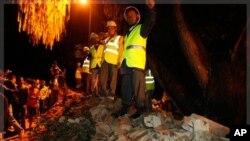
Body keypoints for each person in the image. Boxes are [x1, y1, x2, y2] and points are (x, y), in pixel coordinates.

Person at [111, 0, 156, 119]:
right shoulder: (127, 34)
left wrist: (151, 9)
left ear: (137, 17)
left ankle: (140, 110)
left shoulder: (141, 29)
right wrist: (120, 63)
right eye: (128, 15)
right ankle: (124, 108)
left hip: (137, 63)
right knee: (125, 87)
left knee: (138, 88)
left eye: (132, 15)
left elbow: (150, 21)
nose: (130, 17)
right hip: (126, 64)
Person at [100, 20, 124, 99]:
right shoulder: (106, 39)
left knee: (113, 78)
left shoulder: (119, 38)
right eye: (108, 28)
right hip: (105, 61)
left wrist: (120, 61)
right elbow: (98, 41)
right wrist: (101, 36)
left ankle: (111, 94)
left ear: (115, 29)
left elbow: (121, 50)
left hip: (114, 61)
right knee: (102, 78)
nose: (109, 30)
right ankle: (103, 93)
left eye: (111, 28)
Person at [89, 32, 104, 96]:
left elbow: (104, 55)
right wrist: (89, 67)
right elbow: (90, 58)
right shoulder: (91, 48)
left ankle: (99, 91)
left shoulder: (102, 47)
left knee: (100, 80)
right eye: (93, 39)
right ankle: (93, 92)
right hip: (94, 65)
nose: (95, 40)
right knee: (93, 80)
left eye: (95, 38)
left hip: (100, 64)